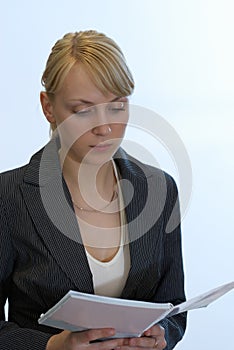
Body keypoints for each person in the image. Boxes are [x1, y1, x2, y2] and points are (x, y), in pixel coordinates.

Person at [0, 30, 186, 350]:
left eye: (117, 106)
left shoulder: (160, 189)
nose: (104, 128)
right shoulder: (8, 197)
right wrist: (51, 347)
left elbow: (172, 308)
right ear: (48, 107)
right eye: (83, 109)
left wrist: (162, 336)